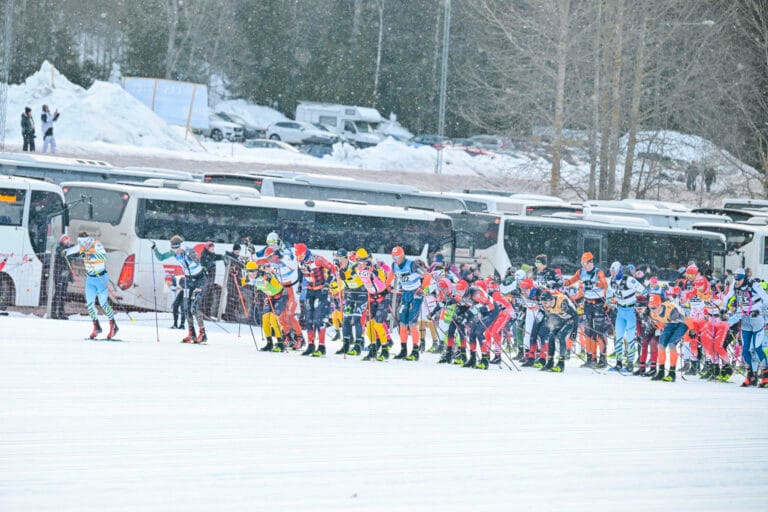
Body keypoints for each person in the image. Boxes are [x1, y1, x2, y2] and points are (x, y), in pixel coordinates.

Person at [153, 235, 208, 343]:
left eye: (177, 249)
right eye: (173, 250)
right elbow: (161, 257)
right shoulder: (174, 252)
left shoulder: (188, 250)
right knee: (186, 309)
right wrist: (155, 249)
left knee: (194, 308)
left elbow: (197, 261)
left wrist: (189, 255)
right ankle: (191, 334)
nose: (175, 252)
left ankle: (203, 334)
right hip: (188, 280)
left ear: (181, 246)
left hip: (199, 280)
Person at [719, 268, 768, 387]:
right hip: (745, 320)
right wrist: (723, 308)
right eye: (736, 280)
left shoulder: (753, 285)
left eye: (740, 280)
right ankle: (751, 374)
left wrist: (760, 310)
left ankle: (766, 375)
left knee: (757, 348)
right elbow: (727, 297)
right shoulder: (735, 286)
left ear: (744, 278)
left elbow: (766, 298)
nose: (738, 282)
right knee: (745, 350)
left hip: (757, 320)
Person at [65, 232, 118, 339]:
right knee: (89, 304)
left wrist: (90, 255)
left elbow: (103, 256)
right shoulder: (82, 247)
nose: (82, 245)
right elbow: (72, 250)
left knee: (103, 304)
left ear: (89, 240)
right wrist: (64, 251)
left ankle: (113, 325)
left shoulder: (96, 245)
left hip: (101, 278)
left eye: (84, 242)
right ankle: (96, 326)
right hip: (90, 280)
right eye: (80, 242)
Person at [388, 245, 432, 361]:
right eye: (393, 257)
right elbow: (392, 274)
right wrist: (387, 285)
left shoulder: (412, 264)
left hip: (415, 295)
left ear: (402, 255)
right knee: (402, 323)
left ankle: (415, 351)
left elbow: (427, 276)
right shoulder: (394, 265)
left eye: (397, 257)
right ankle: (403, 350)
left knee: (412, 323)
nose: (395, 260)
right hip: (405, 294)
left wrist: (422, 288)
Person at [294, 243, 336, 357]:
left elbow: (332, 268)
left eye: (301, 255)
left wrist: (328, 283)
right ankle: (311, 345)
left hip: (321, 290)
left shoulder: (316, 259)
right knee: (308, 319)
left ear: (305, 252)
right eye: (297, 255)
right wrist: (299, 283)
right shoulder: (299, 259)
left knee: (318, 318)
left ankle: (322, 347)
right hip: (309, 290)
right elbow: (300, 270)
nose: (299, 257)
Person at [52, 234, 74, 319]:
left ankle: (61, 312)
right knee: (58, 293)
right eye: (65, 240)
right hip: (59, 274)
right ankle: (53, 312)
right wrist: (68, 249)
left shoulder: (68, 249)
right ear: (62, 241)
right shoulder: (59, 248)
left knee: (63, 294)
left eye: (68, 240)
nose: (67, 242)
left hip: (66, 274)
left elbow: (73, 255)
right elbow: (62, 254)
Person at [200, 241, 223, 318]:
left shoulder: (212, 255)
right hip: (206, 280)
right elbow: (205, 265)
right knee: (205, 297)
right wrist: (210, 264)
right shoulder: (204, 257)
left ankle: (207, 313)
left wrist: (223, 257)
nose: (213, 249)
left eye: (213, 248)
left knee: (210, 297)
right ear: (207, 248)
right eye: (211, 248)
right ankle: (202, 313)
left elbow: (216, 256)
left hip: (211, 280)